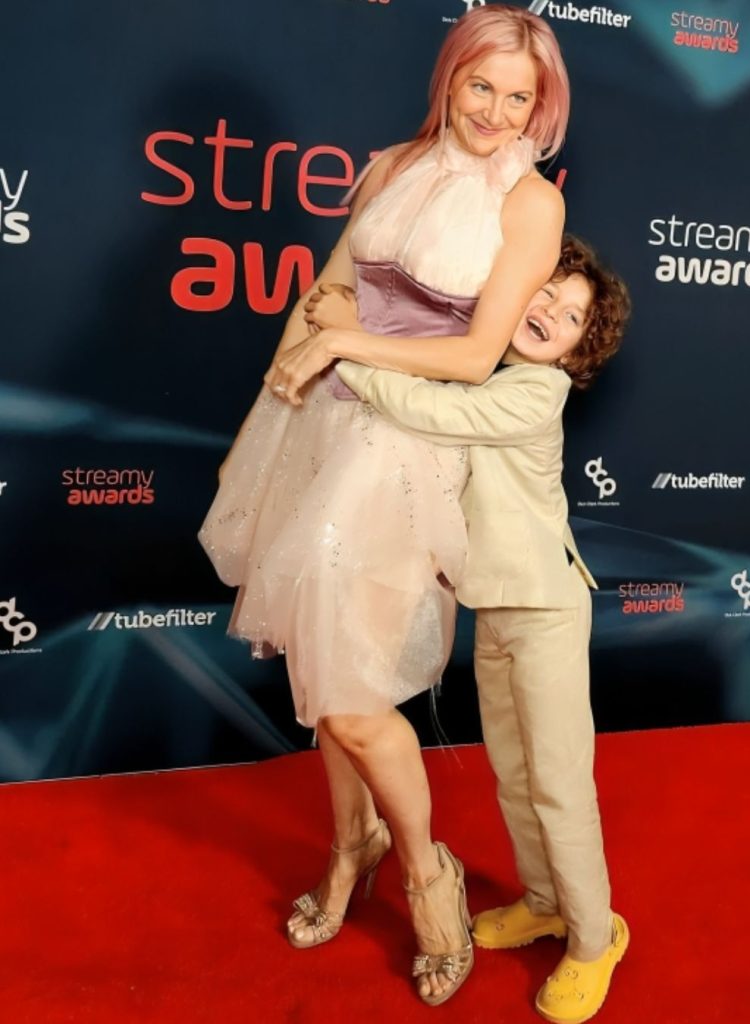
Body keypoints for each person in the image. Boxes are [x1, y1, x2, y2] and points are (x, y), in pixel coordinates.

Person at [199, 5, 570, 1006]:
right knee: (327, 658)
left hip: (409, 444)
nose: (495, 111)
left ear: (543, 107)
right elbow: (323, 292)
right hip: (319, 421)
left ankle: (424, 871)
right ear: (450, 76)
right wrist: (291, 374)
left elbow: (473, 355)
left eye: (519, 96)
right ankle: (350, 841)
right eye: (480, 85)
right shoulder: (389, 164)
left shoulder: (531, 207)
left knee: (354, 693)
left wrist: (346, 340)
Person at [323, 233, 631, 1023]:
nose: (549, 315)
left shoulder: (537, 392)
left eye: (569, 318)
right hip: (495, 611)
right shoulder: (492, 368)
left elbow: (432, 408)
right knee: (515, 778)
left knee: (560, 787)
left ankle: (593, 941)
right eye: (545, 294)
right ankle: (542, 902)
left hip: (548, 612)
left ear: (575, 351)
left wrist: (343, 356)